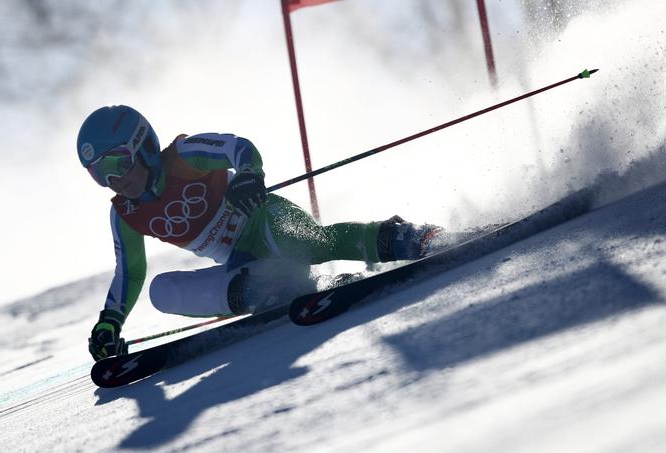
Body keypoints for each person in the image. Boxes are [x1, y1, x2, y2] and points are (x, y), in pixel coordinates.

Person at [78, 105, 442, 361]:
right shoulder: (125, 214)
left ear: (143, 147)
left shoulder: (184, 156)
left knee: (307, 242)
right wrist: (110, 321)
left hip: (265, 219)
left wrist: (250, 174)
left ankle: (401, 238)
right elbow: (130, 272)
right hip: (244, 269)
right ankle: (280, 291)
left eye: (118, 162)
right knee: (162, 291)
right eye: (100, 174)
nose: (115, 179)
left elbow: (238, 147)